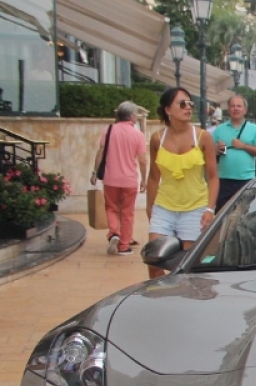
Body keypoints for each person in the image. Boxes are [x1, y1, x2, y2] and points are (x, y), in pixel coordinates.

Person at [146, 87, 219, 278]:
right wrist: (150, 206)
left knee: (190, 265)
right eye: (182, 104)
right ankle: (160, 300)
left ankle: (188, 301)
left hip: (195, 207)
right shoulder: (157, 139)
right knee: (153, 259)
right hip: (164, 206)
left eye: (190, 104)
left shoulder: (203, 137)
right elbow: (154, 177)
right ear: (168, 110)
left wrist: (210, 209)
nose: (188, 108)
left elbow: (212, 176)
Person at [90, 101, 148, 256]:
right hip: (129, 180)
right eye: (135, 114)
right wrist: (144, 179)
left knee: (111, 208)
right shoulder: (138, 135)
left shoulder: (108, 130)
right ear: (130, 116)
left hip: (110, 179)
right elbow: (142, 160)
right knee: (127, 213)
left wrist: (95, 172)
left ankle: (114, 233)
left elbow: (100, 153)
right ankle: (124, 246)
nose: (136, 117)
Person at [211, 94, 256, 212]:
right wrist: (216, 150)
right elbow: (208, 153)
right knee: (222, 215)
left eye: (239, 106)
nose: (235, 109)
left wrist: (243, 146)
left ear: (245, 110)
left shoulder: (254, 129)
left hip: (246, 180)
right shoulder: (219, 129)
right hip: (224, 181)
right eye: (232, 106)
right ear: (228, 109)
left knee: (244, 215)